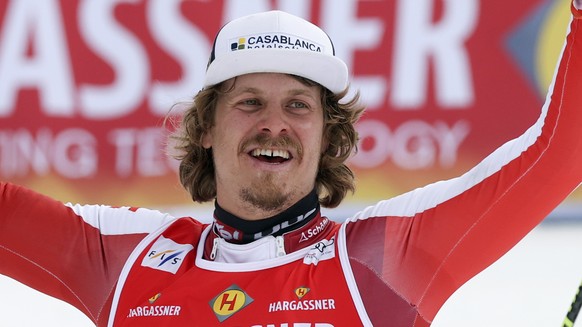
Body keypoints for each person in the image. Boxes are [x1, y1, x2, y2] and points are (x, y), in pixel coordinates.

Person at [1, 3, 582, 326]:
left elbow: (559, 156)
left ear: (329, 137)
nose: (273, 124)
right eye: (249, 101)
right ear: (204, 127)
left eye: (299, 106)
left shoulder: (386, 256)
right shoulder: (126, 260)